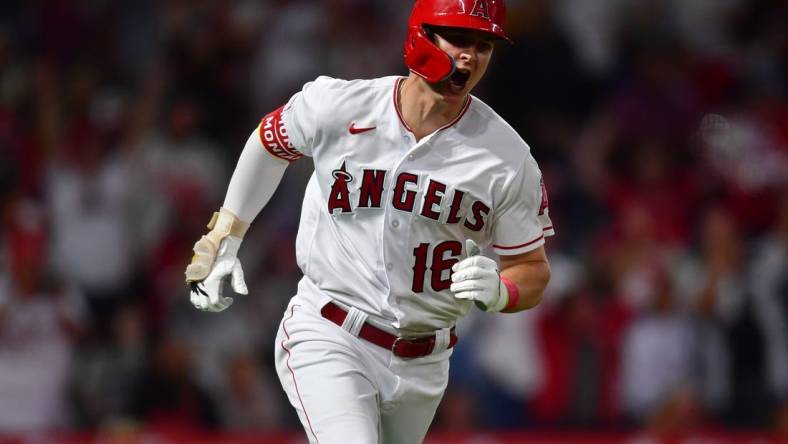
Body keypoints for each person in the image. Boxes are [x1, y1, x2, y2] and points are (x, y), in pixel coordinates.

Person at [184, 0, 554, 442]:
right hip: (331, 332)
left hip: (425, 363)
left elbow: (532, 268)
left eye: (484, 45)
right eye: (458, 39)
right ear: (420, 36)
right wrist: (225, 234)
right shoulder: (341, 106)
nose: (471, 57)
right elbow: (270, 142)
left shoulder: (507, 158)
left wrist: (502, 291)